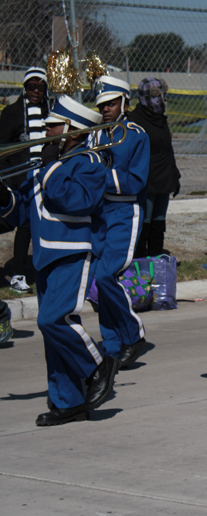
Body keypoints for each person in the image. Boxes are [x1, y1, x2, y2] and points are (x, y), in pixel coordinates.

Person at [0, 96, 120, 426]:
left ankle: (99, 365)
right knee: (53, 336)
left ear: (72, 131)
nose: (46, 130)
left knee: (53, 320)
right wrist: (3, 194)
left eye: (53, 125)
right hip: (44, 255)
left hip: (72, 251)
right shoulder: (45, 165)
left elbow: (74, 200)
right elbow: (21, 212)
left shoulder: (90, 162)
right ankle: (68, 401)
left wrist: (50, 166)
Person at [92, 76, 150, 368]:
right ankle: (112, 344)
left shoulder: (136, 135)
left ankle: (133, 335)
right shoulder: (95, 135)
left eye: (111, 103)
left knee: (106, 276)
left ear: (125, 104)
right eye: (102, 105)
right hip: (99, 212)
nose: (105, 109)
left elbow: (135, 181)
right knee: (97, 281)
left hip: (125, 211)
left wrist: (98, 176)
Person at [0, 67, 49, 294]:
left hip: (47, 177)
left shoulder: (50, 111)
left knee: (46, 225)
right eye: (31, 86)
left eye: (40, 87)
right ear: (24, 88)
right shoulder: (12, 112)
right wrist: (10, 179)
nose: (36, 91)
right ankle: (18, 274)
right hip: (23, 180)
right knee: (25, 226)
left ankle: (44, 270)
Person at [128, 78, 181, 258]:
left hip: (163, 179)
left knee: (159, 222)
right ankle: (141, 260)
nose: (164, 100)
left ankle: (156, 260)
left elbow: (167, 150)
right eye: (161, 96)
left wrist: (174, 176)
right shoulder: (135, 120)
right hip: (147, 180)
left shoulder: (160, 119)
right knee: (145, 221)